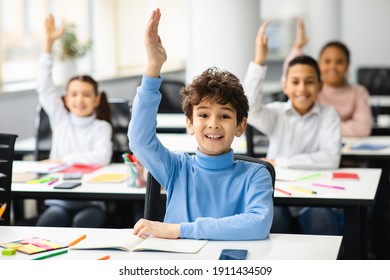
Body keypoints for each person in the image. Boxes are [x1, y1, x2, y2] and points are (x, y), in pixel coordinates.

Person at [128, 8, 273, 240]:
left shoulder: (256, 174)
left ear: (240, 126)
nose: (213, 124)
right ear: (189, 123)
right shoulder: (176, 168)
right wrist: (153, 68)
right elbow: (139, 140)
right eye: (203, 115)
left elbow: (257, 224)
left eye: (224, 116)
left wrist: (179, 230)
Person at [244, 21, 342, 235]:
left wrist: (279, 162)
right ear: (285, 86)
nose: (302, 89)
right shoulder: (276, 113)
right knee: (272, 222)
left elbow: (330, 158)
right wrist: (259, 60)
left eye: (309, 82)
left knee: (321, 222)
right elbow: (248, 107)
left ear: (320, 86)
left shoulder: (329, 114)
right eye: (295, 82)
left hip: (316, 193)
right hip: (279, 192)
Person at [35, 14, 113, 227]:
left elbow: (101, 157)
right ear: (66, 100)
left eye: (86, 95)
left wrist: (62, 160)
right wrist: (48, 46)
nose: (80, 100)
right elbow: (44, 87)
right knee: (46, 227)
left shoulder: (101, 127)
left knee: (82, 225)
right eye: (74, 94)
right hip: (59, 201)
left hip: (91, 201)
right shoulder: (60, 120)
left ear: (96, 99)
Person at [282, 17, 372, 137]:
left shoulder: (359, 92)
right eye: (327, 61)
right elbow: (291, 73)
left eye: (339, 62)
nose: (333, 67)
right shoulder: (313, 89)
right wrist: (298, 47)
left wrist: (325, 126)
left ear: (347, 65)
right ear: (319, 64)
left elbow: (363, 128)